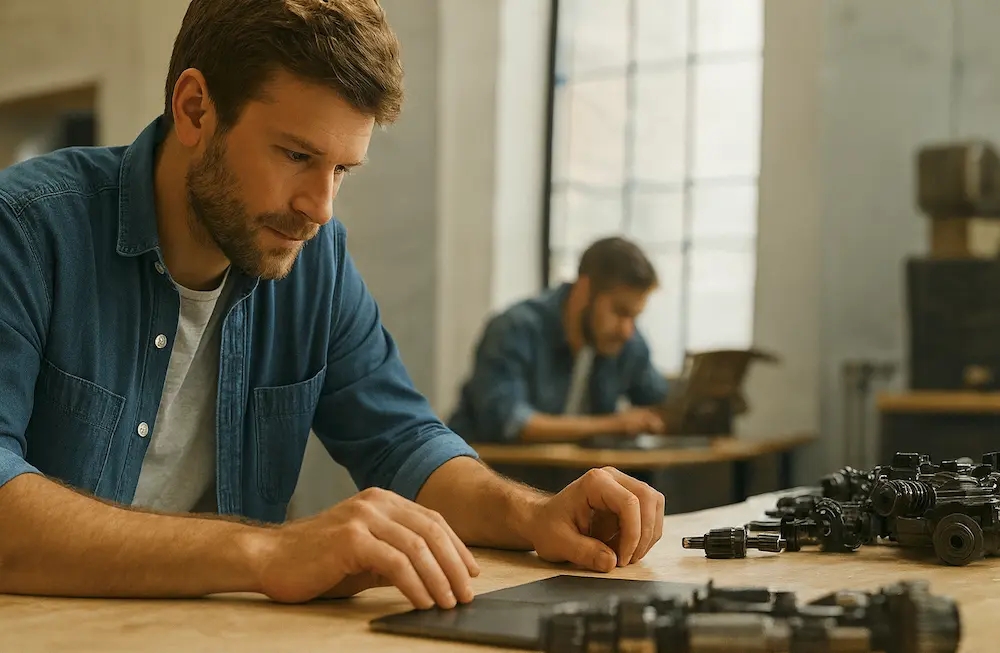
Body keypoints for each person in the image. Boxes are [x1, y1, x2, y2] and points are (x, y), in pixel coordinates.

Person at [0, 0, 664, 612]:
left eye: (343, 170)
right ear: (196, 108)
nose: (320, 207)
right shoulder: (27, 230)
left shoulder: (314, 259)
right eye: (297, 155)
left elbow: (405, 442)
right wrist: (267, 551)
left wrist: (533, 515)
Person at [448, 237, 670, 443]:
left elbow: (662, 403)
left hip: (564, 480)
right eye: (620, 312)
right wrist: (613, 424)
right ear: (585, 289)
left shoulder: (627, 342)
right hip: (492, 475)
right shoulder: (516, 328)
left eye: (634, 317)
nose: (627, 330)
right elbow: (509, 422)